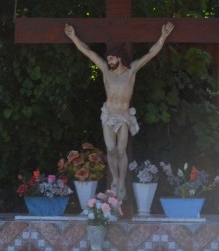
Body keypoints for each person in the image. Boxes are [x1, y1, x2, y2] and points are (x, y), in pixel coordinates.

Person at [64, 22, 174, 202]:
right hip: (108, 115)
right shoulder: (106, 71)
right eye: (108, 60)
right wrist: (73, 37)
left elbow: (151, 53)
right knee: (110, 148)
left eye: (111, 59)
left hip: (123, 116)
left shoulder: (131, 72)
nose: (109, 61)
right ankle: (115, 179)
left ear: (120, 58)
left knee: (121, 151)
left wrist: (163, 36)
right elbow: (89, 52)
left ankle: (122, 181)